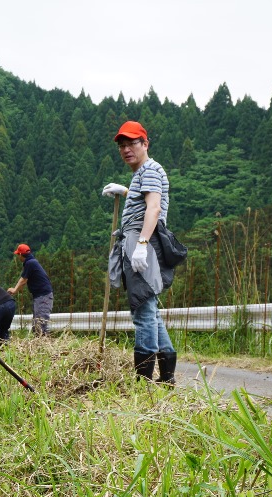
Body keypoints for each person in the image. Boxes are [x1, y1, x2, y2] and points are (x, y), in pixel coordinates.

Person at [103, 120, 177, 384]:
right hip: (139, 242)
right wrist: (125, 191)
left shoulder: (150, 170)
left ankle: (143, 382)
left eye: (132, 143)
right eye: (122, 145)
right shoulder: (143, 173)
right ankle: (166, 378)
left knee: (143, 313)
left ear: (145, 143)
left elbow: (154, 208)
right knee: (150, 311)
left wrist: (143, 244)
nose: (126, 149)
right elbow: (146, 200)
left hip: (143, 243)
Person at [7, 244, 54, 335]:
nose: (18, 257)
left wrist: (15, 290)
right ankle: (40, 344)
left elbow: (23, 280)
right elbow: (24, 280)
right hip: (41, 296)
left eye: (18, 254)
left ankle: (43, 344)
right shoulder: (32, 262)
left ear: (20, 255)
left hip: (43, 296)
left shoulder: (30, 263)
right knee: (37, 324)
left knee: (40, 324)